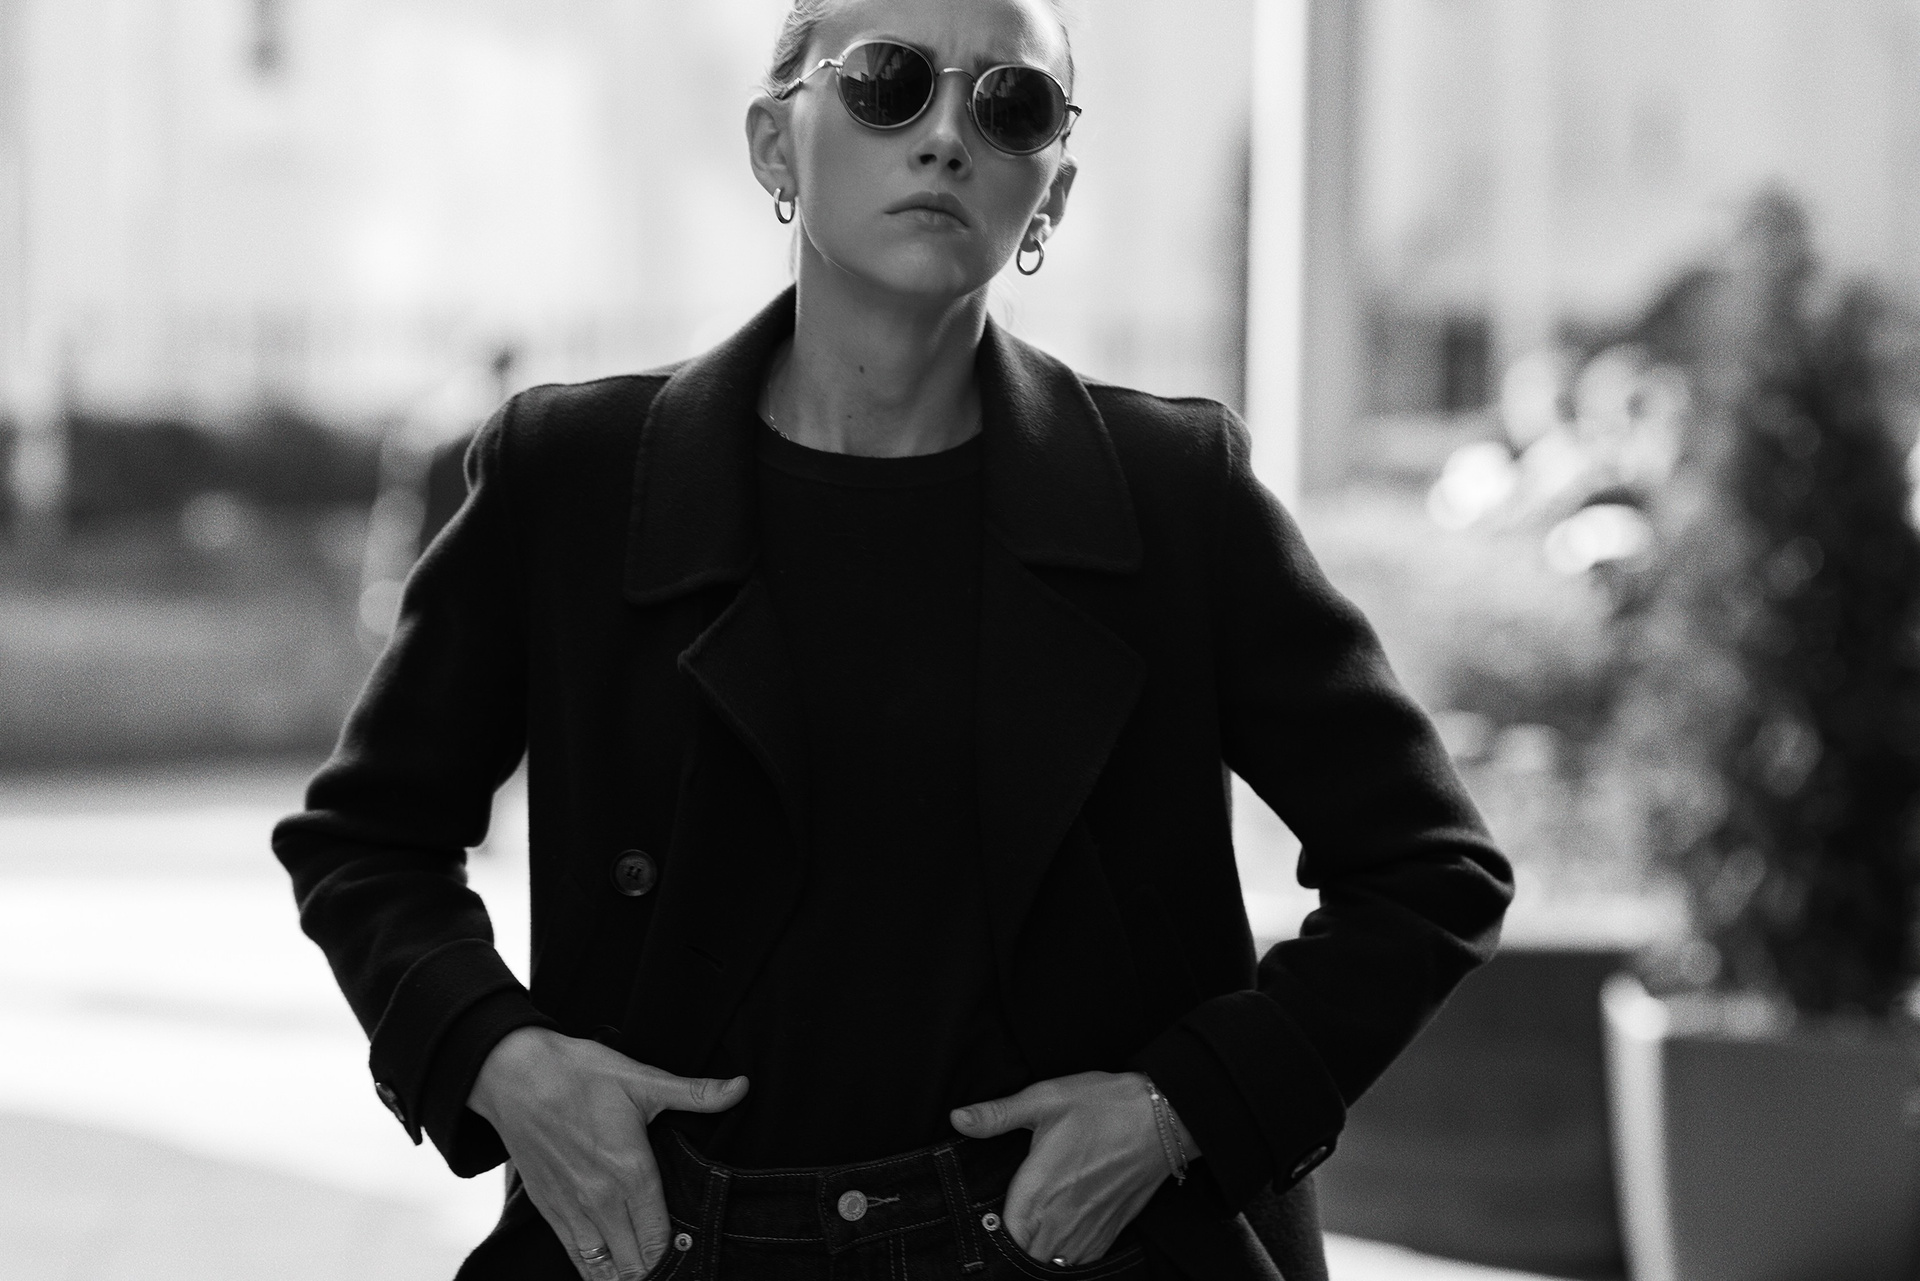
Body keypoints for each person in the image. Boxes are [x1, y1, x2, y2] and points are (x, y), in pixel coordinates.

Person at [272, 1, 1512, 1278]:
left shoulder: (1169, 495)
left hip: (1077, 1249)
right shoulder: (578, 479)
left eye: (1011, 105)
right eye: (887, 83)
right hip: (663, 1247)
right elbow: (367, 840)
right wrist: (499, 1059)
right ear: (774, 143)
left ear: (1053, 193)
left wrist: (1179, 1112)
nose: (946, 137)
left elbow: (1428, 867)